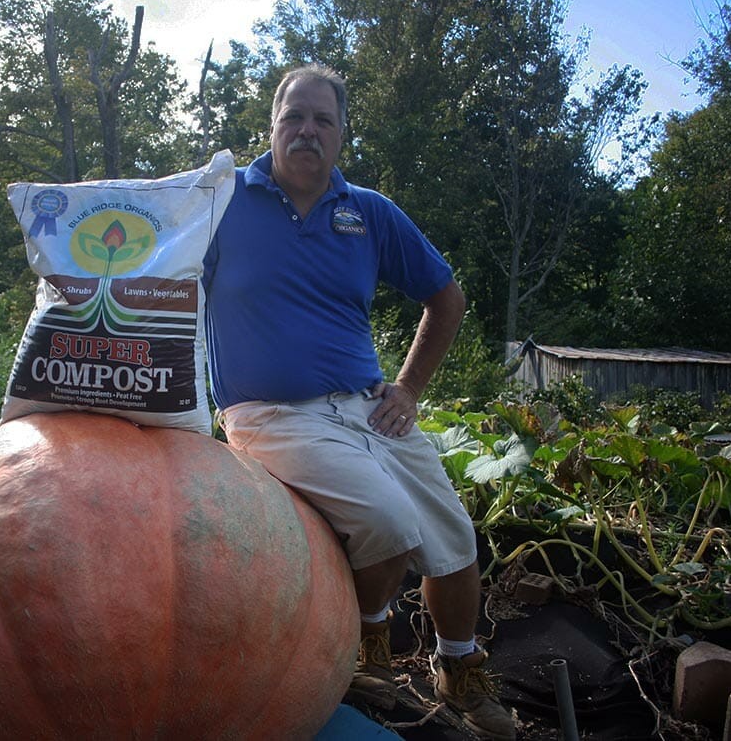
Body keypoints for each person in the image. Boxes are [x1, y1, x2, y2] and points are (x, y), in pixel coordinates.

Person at [201, 64, 516, 741]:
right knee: (388, 520)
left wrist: (408, 388)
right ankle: (364, 642)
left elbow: (446, 298)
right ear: (272, 125)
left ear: (342, 133)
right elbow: (160, 278)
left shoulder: (368, 211)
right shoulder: (220, 202)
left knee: (456, 540)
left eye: (322, 119)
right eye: (294, 116)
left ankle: (457, 668)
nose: (307, 130)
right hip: (268, 413)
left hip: (369, 406)